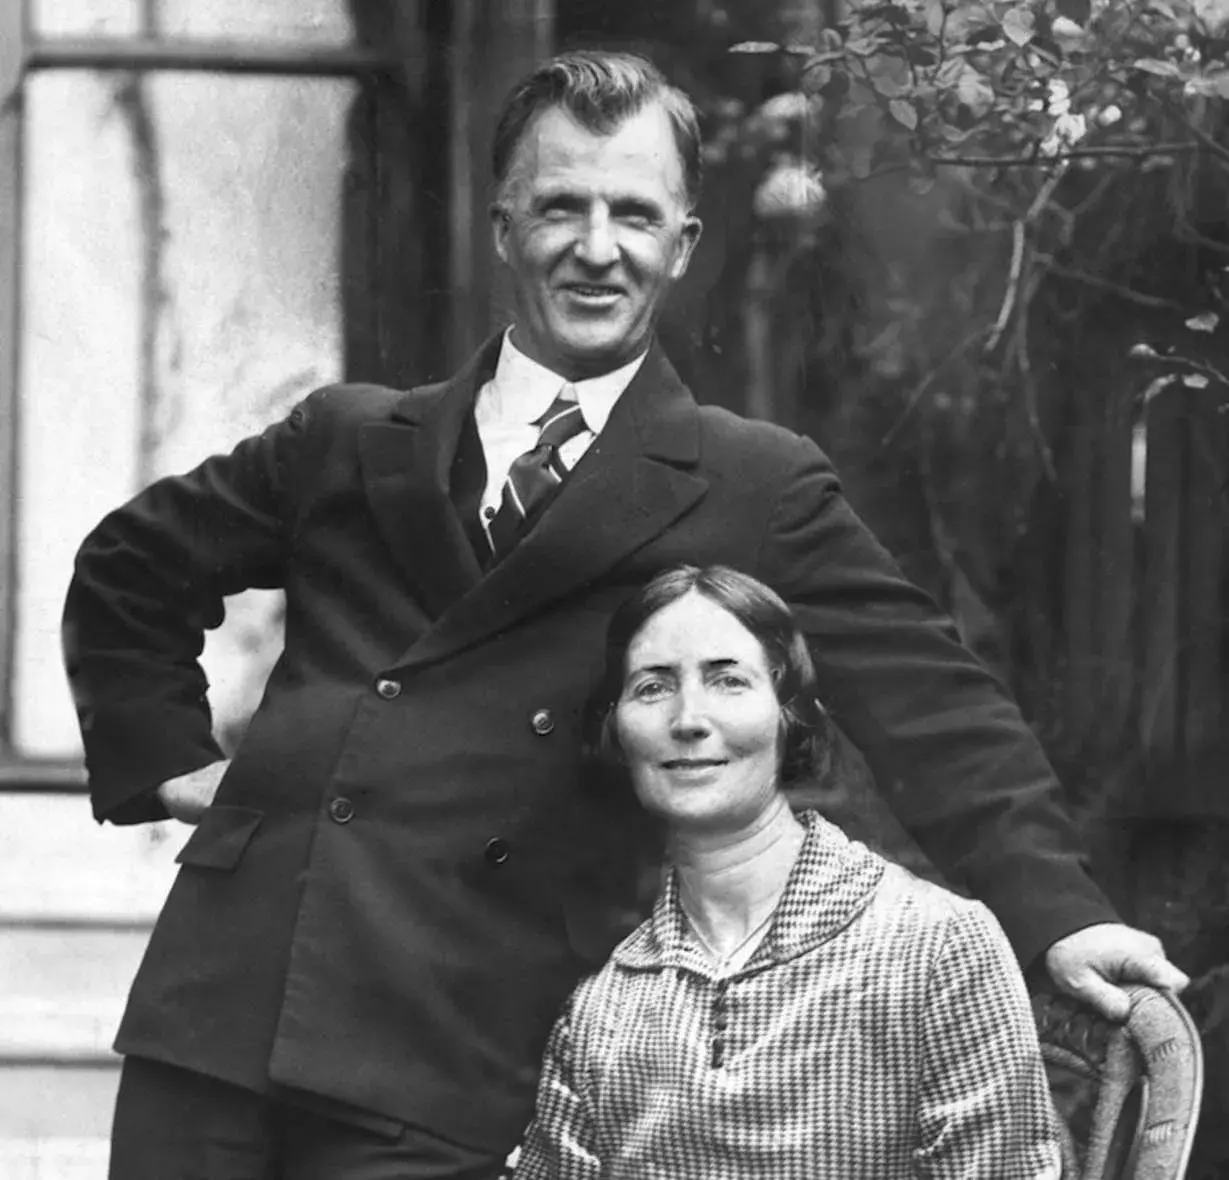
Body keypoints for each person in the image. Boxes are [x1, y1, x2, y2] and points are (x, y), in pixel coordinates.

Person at [62, 49, 1183, 1179]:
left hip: (453, 1040)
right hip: (225, 1003)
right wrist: (170, 758)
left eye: (633, 214)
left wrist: (1058, 912)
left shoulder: (750, 482)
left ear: (681, 244)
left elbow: (933, 707)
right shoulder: (353, 436)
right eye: (559, 207)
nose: (596, 248)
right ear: (501, 226)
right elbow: (128, 567)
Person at [516, 564, 1062, 1178]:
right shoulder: (601, 1013)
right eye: (651, 687)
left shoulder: (937, 947)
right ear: (615, 731)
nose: (688, 718)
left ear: (790, 716)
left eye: (728, 680)